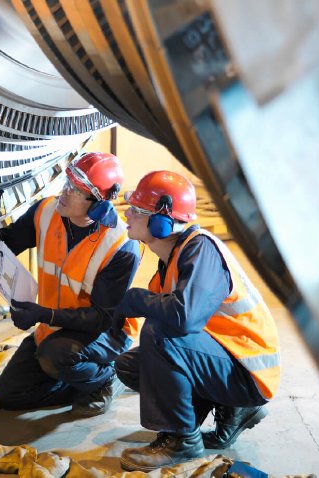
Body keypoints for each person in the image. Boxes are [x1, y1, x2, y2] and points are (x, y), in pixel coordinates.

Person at [112, 171, 280, 472]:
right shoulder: (170, 261)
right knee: (132, 365)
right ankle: (233, 409)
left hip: (249, 371)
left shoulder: (201, 250)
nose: (128, 215)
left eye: (137, 210)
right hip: (227, 361)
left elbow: (183, 316)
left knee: (161, 332)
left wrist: (136, 299)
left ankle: (182, 441)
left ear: (160, 222)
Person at [0, 152, 142, 417]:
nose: (65, 191)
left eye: (76, 190)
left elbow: (101, 319)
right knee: (10, 394)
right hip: (56, 326)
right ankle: (77, 380)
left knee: (55, 355)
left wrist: (43, 314)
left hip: (106, 333)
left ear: (98, 204)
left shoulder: (121, 246)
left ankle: (106, 377)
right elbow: (0, 251)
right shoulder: (46, 211)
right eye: (68, 182)